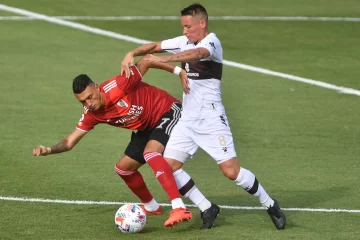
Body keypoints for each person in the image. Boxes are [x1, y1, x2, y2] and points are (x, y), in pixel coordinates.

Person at [121, 3, 286, 230]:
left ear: (202, 23)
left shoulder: (212, 42)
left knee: (231, 172)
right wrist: (132, 53)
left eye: (188, 27)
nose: (185, 31)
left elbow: (198, 54)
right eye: (183, 27)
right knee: (168, 166)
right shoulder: (183, 41)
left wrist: (168, 60)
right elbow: (156, 45)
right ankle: (207, 206)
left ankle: (269, 203)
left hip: (211, 119)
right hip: (187, 121)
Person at [32, 57, 196, 228]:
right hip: (147, 127)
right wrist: (48, 150)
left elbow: (147, 61)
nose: (88, 104)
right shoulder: (91, 113)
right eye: (82, 101)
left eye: (90, 97)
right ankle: (151, 207)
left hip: (168, 110)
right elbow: (69, 142)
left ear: (97, 88)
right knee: (123, 169)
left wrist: (179, 72)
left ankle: (179, 207)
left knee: (150, 153)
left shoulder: (118, 85)